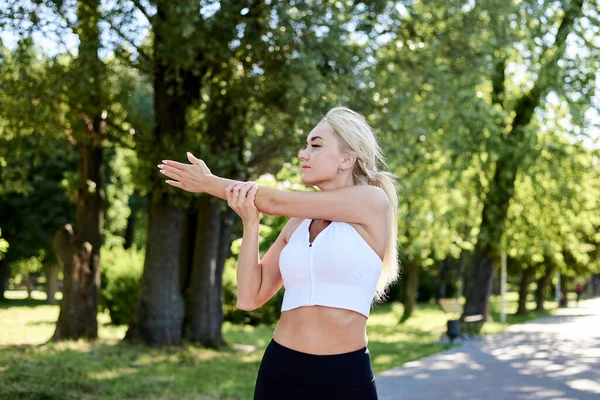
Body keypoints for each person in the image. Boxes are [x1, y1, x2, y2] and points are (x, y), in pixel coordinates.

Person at [158, 106, 399, 399]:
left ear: (347, 159)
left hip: (344, 375)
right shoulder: (297, 222)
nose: (303, 154)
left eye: (315, 145)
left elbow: (274, 201)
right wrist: (251, 224)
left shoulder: (371, 202)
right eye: (305, 146)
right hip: (281, 370)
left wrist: (210, 183)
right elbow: (249, 297)